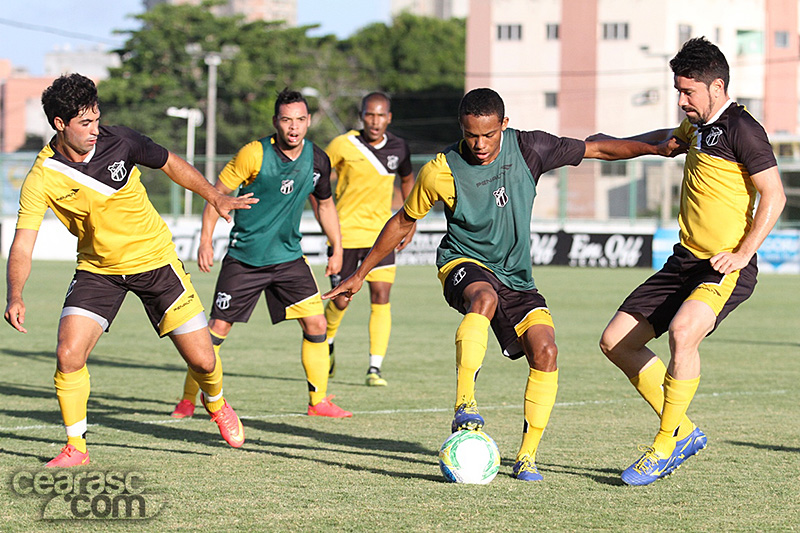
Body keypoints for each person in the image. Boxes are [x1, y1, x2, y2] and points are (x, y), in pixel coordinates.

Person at [324, 87, 684, 480]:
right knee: (482, 298)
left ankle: (526, 457)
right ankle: (465, 403)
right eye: (470, 134)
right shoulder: (441, 169)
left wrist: (655, 147)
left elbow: (597, 148)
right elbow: (403, 221)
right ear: (461, 127)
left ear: (504, 125)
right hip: (463, 262)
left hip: (517, 277)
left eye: (488, 135)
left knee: (546, 349)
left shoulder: (530, 149)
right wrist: (359, 275)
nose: (478, 144)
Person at [4, 73, 255, 467]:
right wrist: (15, 294)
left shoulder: (120, 140)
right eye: (84, 123)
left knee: (204, 361)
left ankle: (217, 402)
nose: (94, 129)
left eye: (96, 118)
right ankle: (76, 448)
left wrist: (214, 195)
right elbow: (23, 242)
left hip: (156, 261)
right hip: (98, 270)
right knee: (69, 355)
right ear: (59, 124)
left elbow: (170, 162)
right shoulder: (41, 177)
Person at [597, 37, 786, 486]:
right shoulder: (699, 128)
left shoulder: (743, 128)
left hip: (723, 268)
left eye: (688, 92)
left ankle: (663, 446)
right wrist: (596, 146)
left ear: (717, 87)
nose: (681, 101)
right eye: (679, 91)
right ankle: (683, 431)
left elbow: (774, 196)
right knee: (615, 342)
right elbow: (663, 143)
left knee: (683, 334)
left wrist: (742, 253)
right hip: (683, 262)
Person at [170, 88, 352, 420]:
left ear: (309, 121)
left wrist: (336, 247)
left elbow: (325, 204)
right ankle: (187, 399)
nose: (293, 128)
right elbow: (217, 194)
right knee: (214, 332)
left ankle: (318, 401)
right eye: (286, 120)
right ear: (275, 122)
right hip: (246, 259)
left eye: (299, 120)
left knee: (316, 324)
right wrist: (206, 240)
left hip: (288, 258)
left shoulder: (318, 159)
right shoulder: (253, 154)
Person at [322, 92, 415, 387]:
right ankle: (327, 342)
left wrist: (410, 219)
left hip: (381, 235)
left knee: (381, 296)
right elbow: (317, 177)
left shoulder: (399, 147)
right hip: (345, 234)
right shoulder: (342, 144)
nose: (375, 121)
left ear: (389, 118)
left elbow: (408, 179)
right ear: (362, 116)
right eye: (369, 115)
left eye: (380, 116)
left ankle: (375, 367)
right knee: (342, 300)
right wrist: (326, 221)